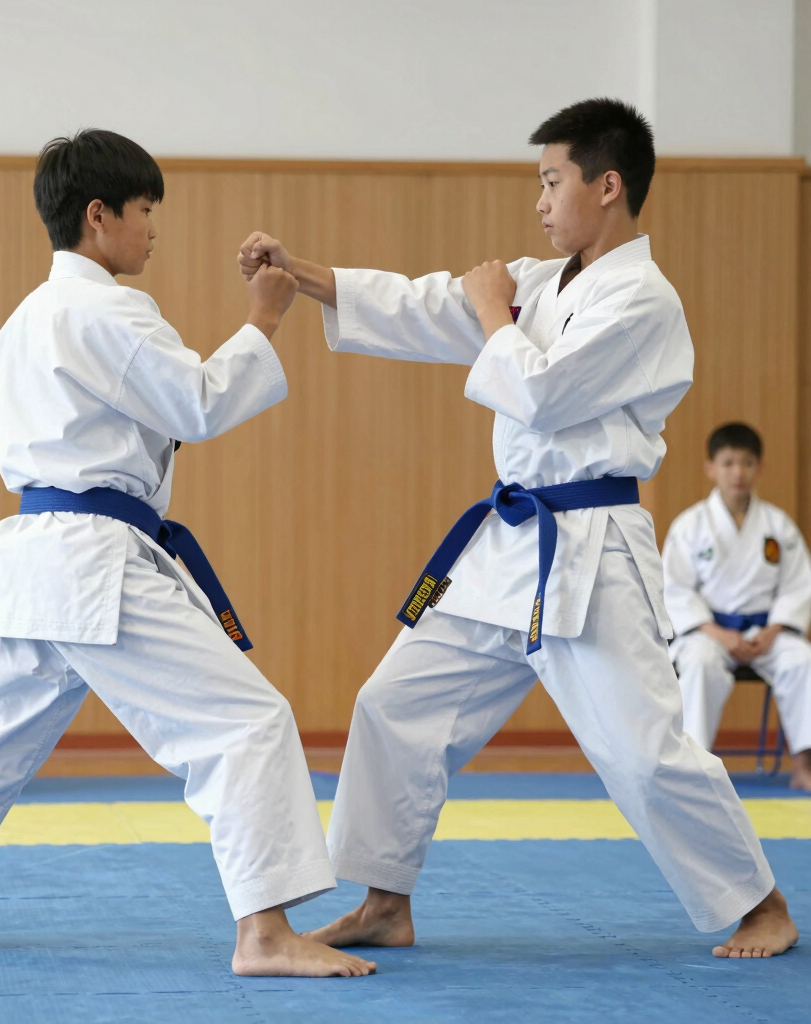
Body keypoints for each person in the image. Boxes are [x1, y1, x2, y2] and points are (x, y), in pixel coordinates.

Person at [238, 98, 798, 958]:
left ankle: (759, 902)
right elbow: (426, 307)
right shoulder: (541, 283)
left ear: (607, 186)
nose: (538, 202)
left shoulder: (646, 303)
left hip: (594, 548)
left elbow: (541, 391)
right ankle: (385, 899)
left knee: (643, 754)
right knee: (394, 707)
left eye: (551, 181)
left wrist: (495, 314)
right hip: (508, 544)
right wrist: (303, 272)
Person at [0, 130, 374, 979]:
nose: (154, 229)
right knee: (244, 721)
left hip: (35, 559)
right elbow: (197, 403)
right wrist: (264, 318)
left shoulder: (20, 324)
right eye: (146, 211)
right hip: (93, 562)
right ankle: (264, 933)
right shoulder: (106, 308)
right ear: (99, 215)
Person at [663, 422, 811, 791]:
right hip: (709, 632)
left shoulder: (778, 526)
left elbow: (798, 586)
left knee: (802, 660)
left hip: (768, 633)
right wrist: (719, 634)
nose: (738, 473)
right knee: (697, 663)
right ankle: (694, 768)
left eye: (746, 463)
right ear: (710, 467)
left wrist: (775, 629)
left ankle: (804, 764)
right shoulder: (691, 526)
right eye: (728, 463)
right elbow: (675, 590)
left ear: (759, 468)